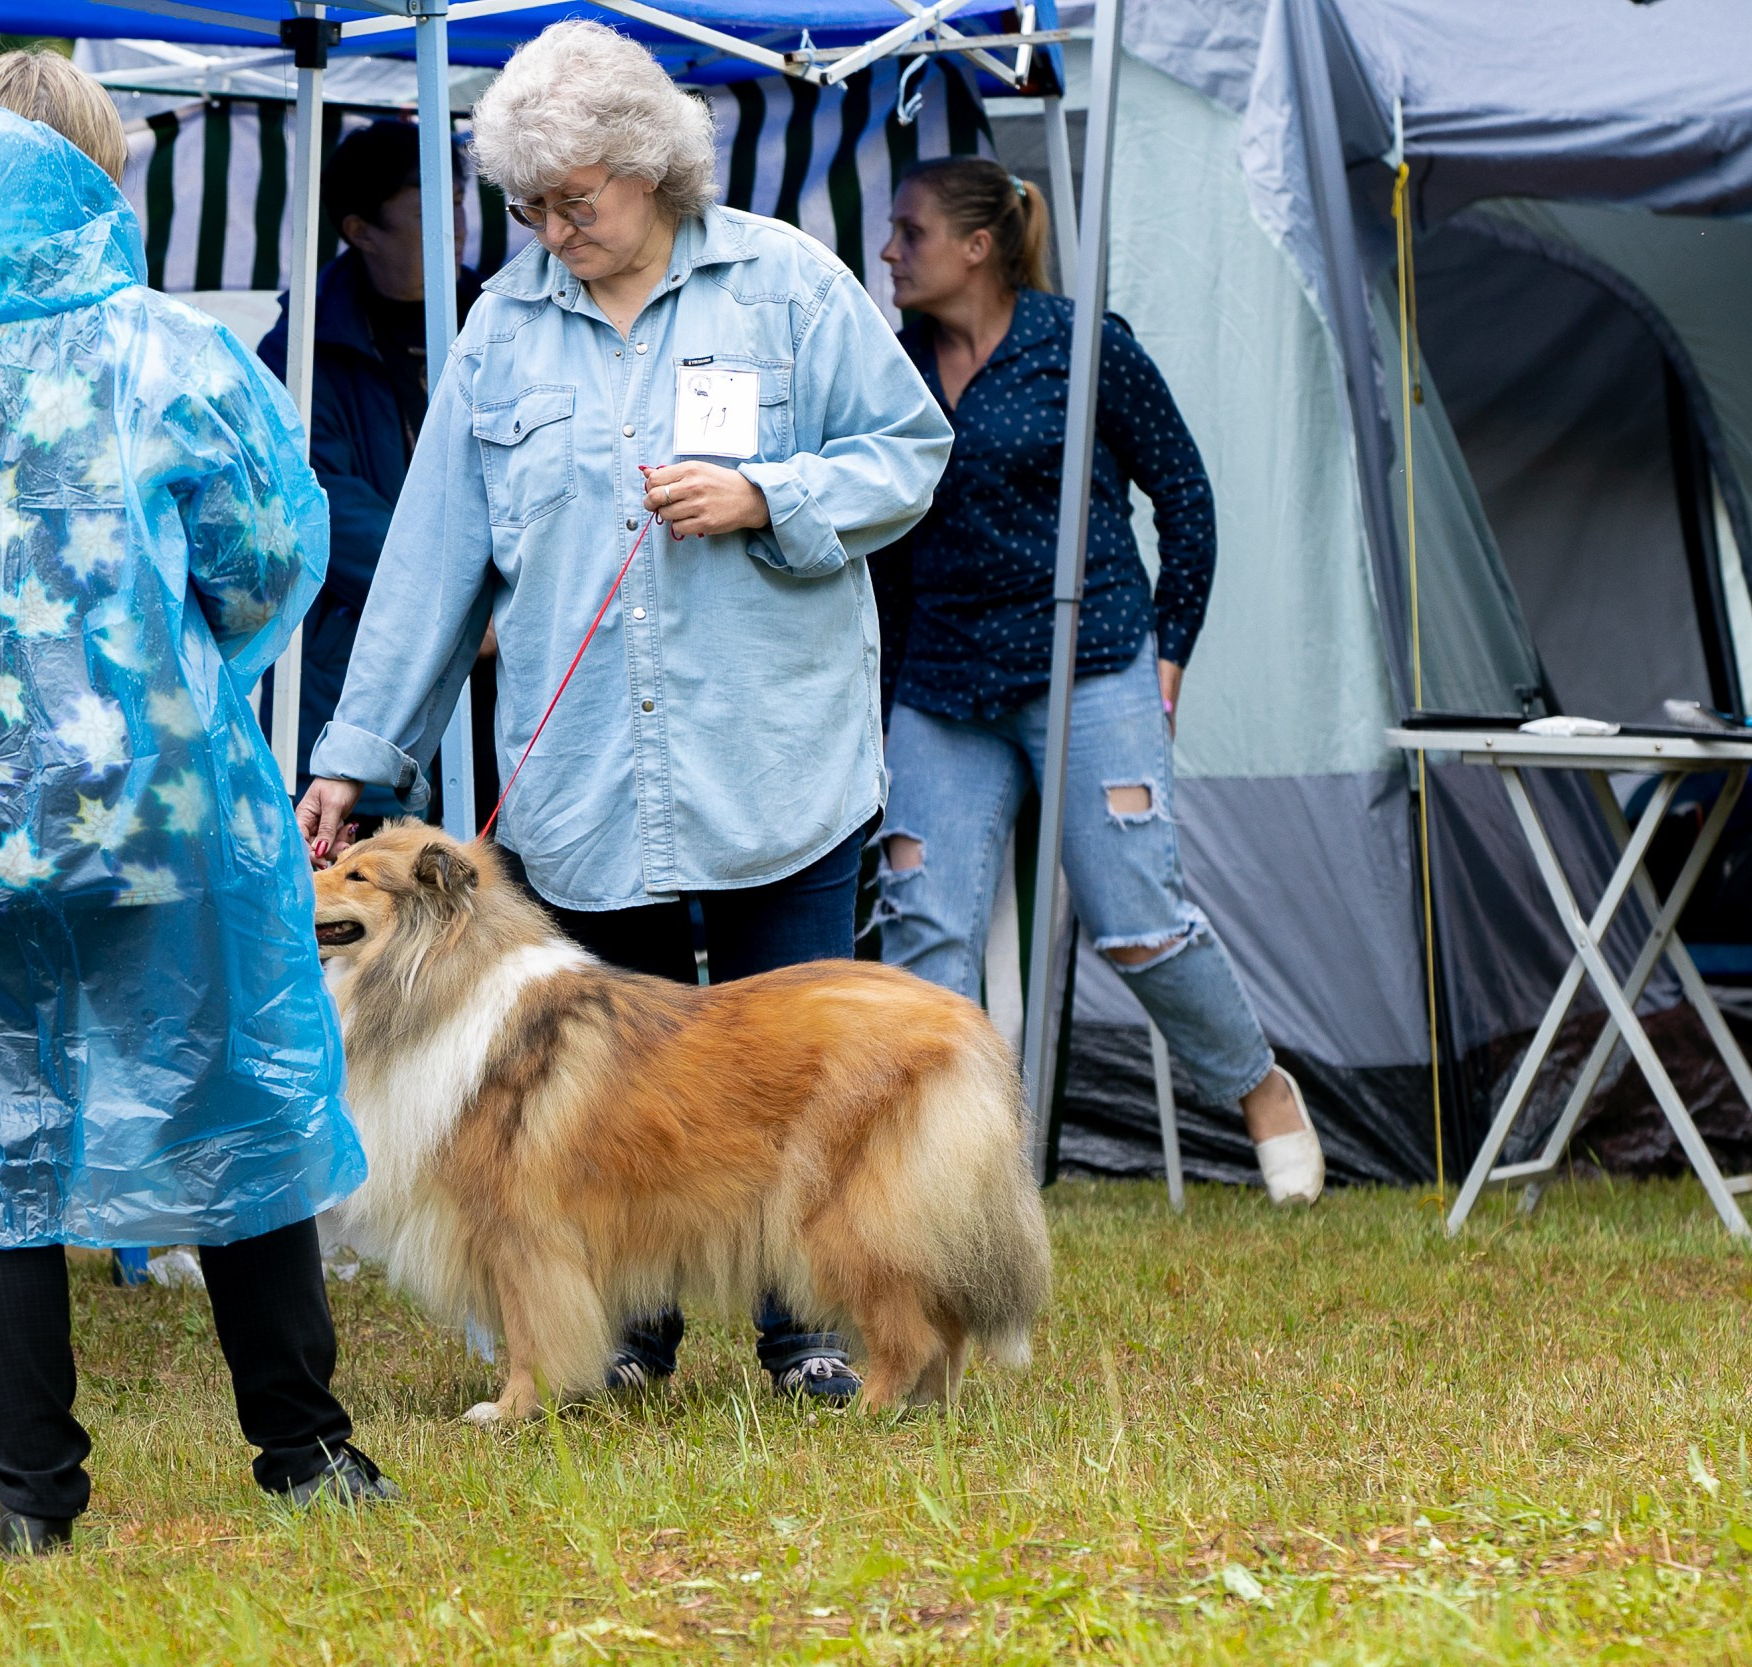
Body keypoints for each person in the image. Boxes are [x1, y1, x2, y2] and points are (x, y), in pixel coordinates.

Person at [0, 59, 392, 1556]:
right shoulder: (172, 356)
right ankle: (306, 1448)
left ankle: (33, 1498)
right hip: (154, 804)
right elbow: (263, 548)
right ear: (96, 170)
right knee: (224, 1088)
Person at [295, 21, 954, 1404]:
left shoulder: (786, 284)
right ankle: (628, 1335)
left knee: (786, 1070)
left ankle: (809, 1329)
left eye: (574, 200)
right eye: (528, 205)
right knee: (606, 1093)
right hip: (588, 780)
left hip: (775, 759)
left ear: (652, 169)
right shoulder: (502, 325)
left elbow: (909, 449)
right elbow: (429, 557)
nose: (550, 228)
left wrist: (771, 494)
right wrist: (359, 752)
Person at [873, 156, 1324, 1204]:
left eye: (911, 231)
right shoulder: (891, 368)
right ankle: (943, 1167)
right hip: (941, 681)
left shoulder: (1081, 347)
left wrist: (1171, 648)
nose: (890, 250)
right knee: (923, 926)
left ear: (978, 246)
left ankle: (1260, 1089)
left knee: (1138, 917)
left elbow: (1184, 494)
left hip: (1094, 660)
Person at [255, 121, 487, 833]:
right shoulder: (301, 345)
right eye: (428, 210)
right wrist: (457, 599)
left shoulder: (506, 321)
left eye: (458, 202)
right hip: (363, 661)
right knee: (386, 896)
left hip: (510, 656)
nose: (455, 227)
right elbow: (319, 502)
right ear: (360, 229)